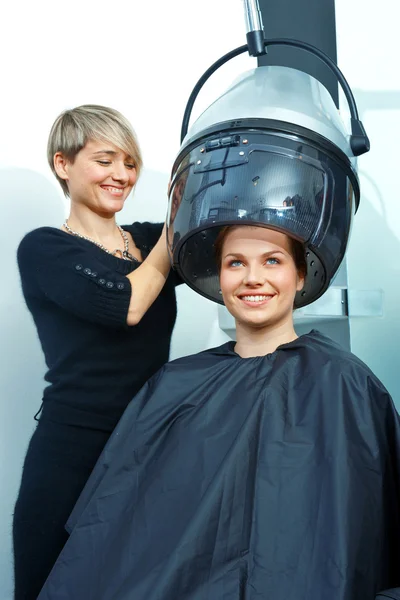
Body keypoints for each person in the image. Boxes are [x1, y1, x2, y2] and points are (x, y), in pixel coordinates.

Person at [38, 225, 400, 600]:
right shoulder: (175, 384)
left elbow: (368, 530)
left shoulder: (343, 381)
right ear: (220, 276)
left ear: (300, 274)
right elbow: (111, 529)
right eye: (235, 263)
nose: (252, 278)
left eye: (272, 261)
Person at [13, 104, 183, 600]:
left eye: (130, 163)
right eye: (106, 159)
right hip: (71, 454)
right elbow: (124, 303)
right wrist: (177, 231)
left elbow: (240, 262)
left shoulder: (151, 241)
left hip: (148, 449)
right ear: (63, 165)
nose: (122, 175)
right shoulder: (44, 248)